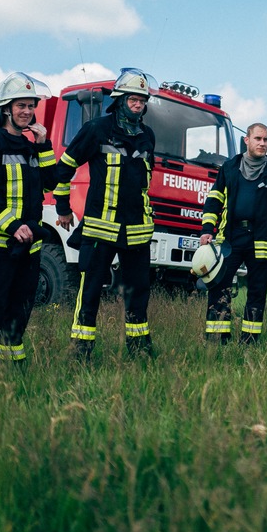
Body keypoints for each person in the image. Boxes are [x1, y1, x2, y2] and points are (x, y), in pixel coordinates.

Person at [54, 68, 158, 359]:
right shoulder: (96, 129)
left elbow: (145, 183)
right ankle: (81, 350)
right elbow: (64, 167)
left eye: (142, 100)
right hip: (101, 229)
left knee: (138, 293)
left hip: (137, 231)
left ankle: (139, 351)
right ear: (120, 99)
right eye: (133, 99)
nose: (138, 105)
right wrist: (62, 207)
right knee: (90, 292)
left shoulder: (148, 136)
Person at [0, 72, 58, 366]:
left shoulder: (32, 148)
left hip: (27, 246)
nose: (27, 112)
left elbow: (50, 183)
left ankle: (12, 367)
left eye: (31, 106)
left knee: (20, 306)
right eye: (21, 106)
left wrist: (43, 144)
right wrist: (13, 225)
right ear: (6, 108)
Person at [199, 123, 267, 344]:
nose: (262, 143)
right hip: (229, 239)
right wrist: (206, 230)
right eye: (258, 139)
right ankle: (217, 338)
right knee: (218, 286)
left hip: (261, 242)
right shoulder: (229, 167)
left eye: (266, 140)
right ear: (247, 140)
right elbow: (214, 200)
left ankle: (250, 340)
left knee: (257, 292)